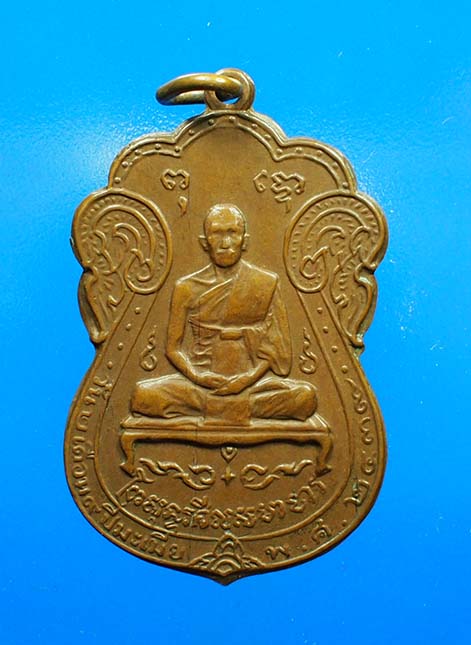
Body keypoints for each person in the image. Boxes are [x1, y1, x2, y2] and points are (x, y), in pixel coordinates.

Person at [131, 204, 317, 424]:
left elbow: (277, 350)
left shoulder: (265, 283)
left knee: (305, 397)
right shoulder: (186, 287)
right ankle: (235, 408)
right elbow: (173, 348)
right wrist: (198, 376)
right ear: (205, 242)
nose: (225, 243)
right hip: (200, 383)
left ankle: (220, 408)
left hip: (252, 384)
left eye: (233, 233)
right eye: (217, 233)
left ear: (244, 241)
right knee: (143, 396)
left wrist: (246, 379)